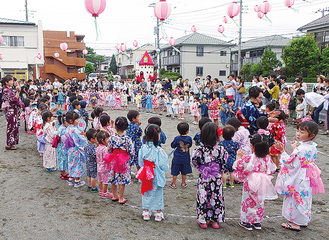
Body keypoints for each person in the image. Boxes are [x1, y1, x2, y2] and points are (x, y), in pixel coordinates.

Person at [275, 121, 325, 231]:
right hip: (307, 175)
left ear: (311, 135)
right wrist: (295, 149)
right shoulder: (312, 146)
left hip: (299, 176)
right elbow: (301, 158)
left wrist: (282, 151)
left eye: (302, 132)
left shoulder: (300, 149)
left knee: (296, 198)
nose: (298, 134)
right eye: (298, 131)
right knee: (305, 198)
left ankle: (295, 223)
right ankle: (303, 220)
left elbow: (290, 163)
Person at [233, 134, 277, 231]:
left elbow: (238, 166)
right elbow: (272, 169)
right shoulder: (267, 159)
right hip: (262, 181)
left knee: (248, 201)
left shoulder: (248, 158)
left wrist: (239, 156)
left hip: (250, 181)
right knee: (260, 201)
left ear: (252, 146)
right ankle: (257, 222)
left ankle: (246, 222)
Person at [192, 122, 228, 229]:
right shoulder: (221, 150)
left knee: (203, 197)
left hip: (204, 176)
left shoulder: (199, 150)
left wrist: (201, 169)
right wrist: (219, 170)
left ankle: (203, 221)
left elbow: (195, 161)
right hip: (216, 177)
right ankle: (215, 220)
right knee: (216, 196)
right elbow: (224, 162)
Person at [137, 124, 169, 222]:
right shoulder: (159, 150)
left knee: (146, 191)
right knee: (158, 192)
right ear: (157, 135)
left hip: (146, 172)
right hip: (156, 173)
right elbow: (164, 165)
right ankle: (158, 213)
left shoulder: (143, 148)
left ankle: (146, 211)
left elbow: (140, 161)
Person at [107, 117, 134, 204]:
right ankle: (121, 197)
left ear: (115, 126)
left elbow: (109, 149)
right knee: (122, 180)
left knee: (113, 177)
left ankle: (115, 195)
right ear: (126, 127)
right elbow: (131, 151)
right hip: (123, 160)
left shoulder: (111, 138)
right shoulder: (127, 139)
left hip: (114, 159)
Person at [64, 111, 87, 187]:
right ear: (71, 121)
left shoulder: (67, 129)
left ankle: (71, 179)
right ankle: (77, 181)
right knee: (77, 164)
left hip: (70, 149)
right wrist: (83, 136)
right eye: (77, 119)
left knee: (71, 164)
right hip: (75, 149)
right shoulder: (75, 130)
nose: (78, 121)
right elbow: (80, 140)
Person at [1, 75, 24, 150]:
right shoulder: (6, 90)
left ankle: (11, 143)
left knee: (13, 126)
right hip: (10, 111)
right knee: (11, 127)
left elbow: (15, 99)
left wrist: (18, 91)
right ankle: (9, 144)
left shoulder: (9, 90)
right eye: (10, 81)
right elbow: (14, 100)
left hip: (12, 110)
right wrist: (18, 92)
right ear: (6, 82)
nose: (12, 82)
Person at [170, 122, 192, 189]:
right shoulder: (189, 138)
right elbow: (190, 145)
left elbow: (172, 145)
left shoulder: (177, 138)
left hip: (177, 157)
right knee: (184, 171)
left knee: (175, 171)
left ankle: (174, 183)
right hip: (185, 157)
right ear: (187, 131)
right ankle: (183, 183)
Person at [96, 130, 113, 198]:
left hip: (99, 166)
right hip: (104, 167)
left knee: (100, 180)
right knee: (105, 181)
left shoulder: (97, 148)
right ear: (103, 140)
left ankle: (101, 190)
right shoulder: (105, 149)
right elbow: (107, 159)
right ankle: (105, 192)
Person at [84, 128, 99, 193]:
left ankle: (89, 185)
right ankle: (93, 187)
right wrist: (98, 162)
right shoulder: (93, 147)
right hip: (93, 163)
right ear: (92, 139)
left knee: (89, 175)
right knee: (93, 176)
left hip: (88, 162)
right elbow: (95, 156)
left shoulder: (86, 145)